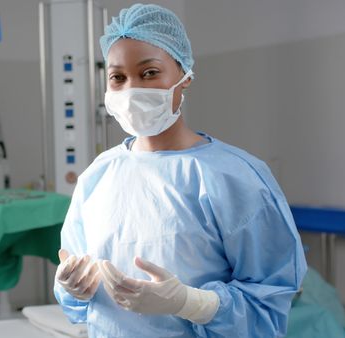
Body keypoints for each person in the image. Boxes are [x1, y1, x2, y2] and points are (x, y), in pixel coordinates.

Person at [53, 3, 307, 337]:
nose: (133, 89)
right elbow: (80, 300)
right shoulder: (98, 177)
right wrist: (73, 288)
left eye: (149, 73)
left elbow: (268, 307)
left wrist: (190, 302)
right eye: (118, 77)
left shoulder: (235, 178)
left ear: (184, 75)